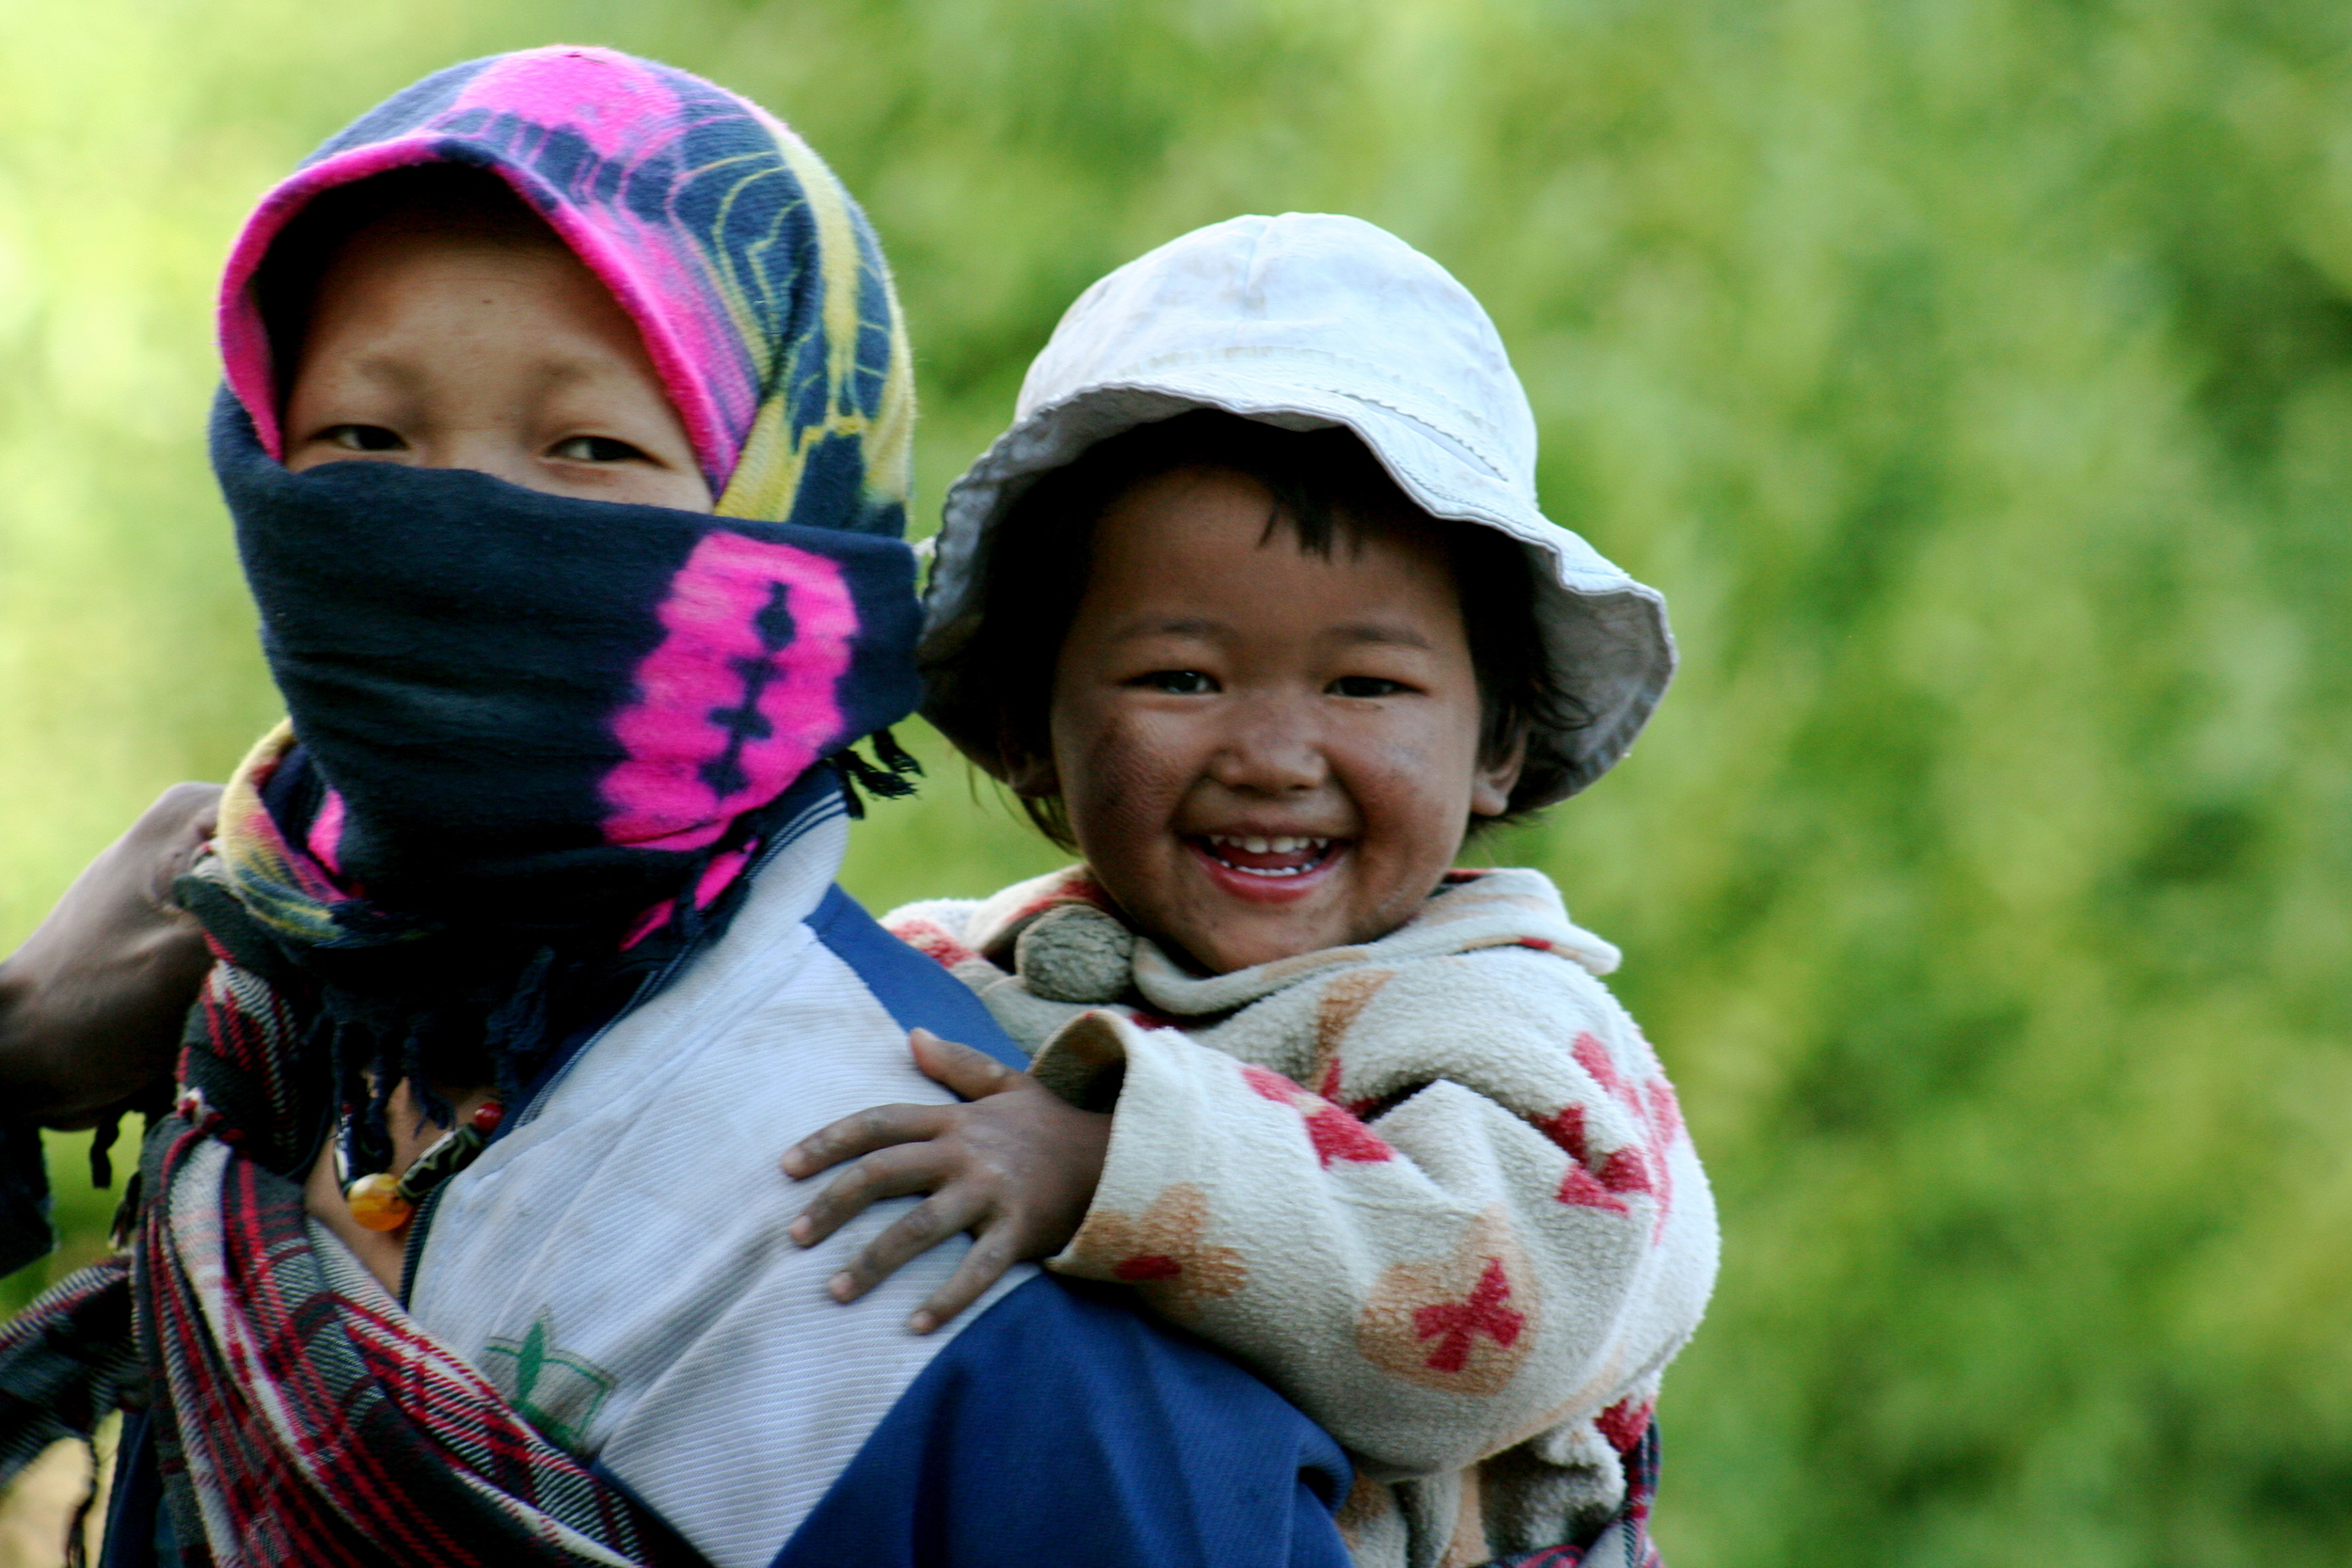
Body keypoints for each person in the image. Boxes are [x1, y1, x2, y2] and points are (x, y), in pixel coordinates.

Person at [0, 50, 1353, 1568]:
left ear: (791, 524)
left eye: (591, 450)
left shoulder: (939, 1223)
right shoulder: (250, 1033)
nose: (459, 536)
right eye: (367, 443)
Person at [776, 215, 1721, 1567]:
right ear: (1035, 725)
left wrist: (1116, 1164)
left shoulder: (1516, 1033)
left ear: (1497, 743)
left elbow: (1507, 1320)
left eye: (1365, 686)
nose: (1272, 758)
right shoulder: (962, 980)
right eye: (1181, 678)